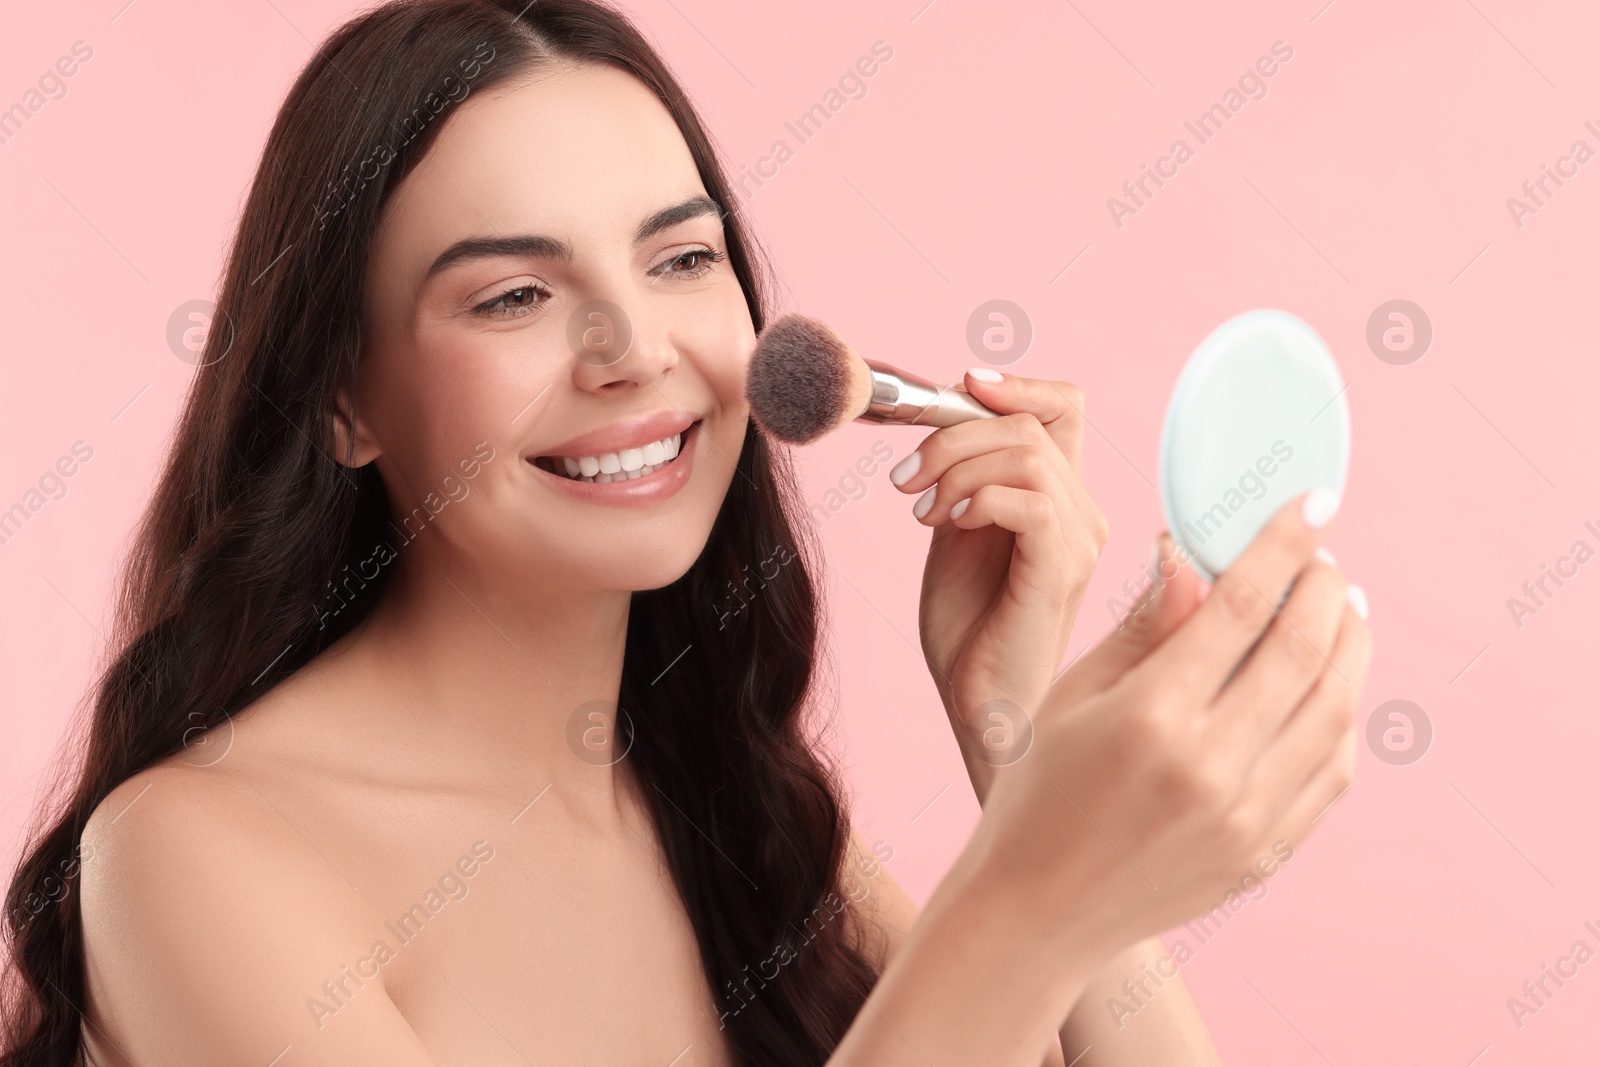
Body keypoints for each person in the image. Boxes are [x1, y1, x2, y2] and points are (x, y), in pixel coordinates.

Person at [0, 2, 1371, 1064]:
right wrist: (1034, 895)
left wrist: (1012, 731)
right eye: (512, 297)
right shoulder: (194, 860)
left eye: (680, 259)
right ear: (345, 398)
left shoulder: (747, 826)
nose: (635, 351)